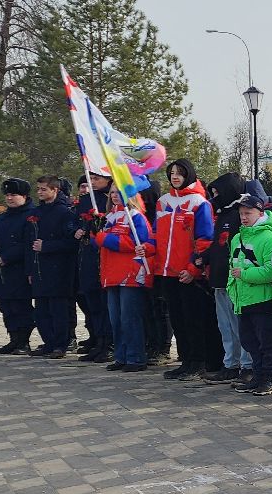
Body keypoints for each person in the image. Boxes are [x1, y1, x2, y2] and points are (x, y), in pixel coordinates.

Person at [150, 160, 220, 381]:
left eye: (180, 173)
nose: (175, 177)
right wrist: (148, 248)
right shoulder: (163, 202)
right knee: (178, 319)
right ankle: (185, 360)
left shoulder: (199, 202)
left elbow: (205, 240)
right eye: (171, 173)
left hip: (189, 273)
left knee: (193, 319)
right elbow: (155, 235)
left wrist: (193, 268)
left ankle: (198, 361)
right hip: (167, 271)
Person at [227, 181, 272, 395]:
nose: (243, 217)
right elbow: (232, 267)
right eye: (241, 213)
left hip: (264, 298)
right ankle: (257, 377)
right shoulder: (237, 238)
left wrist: (246, 275)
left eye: (247, 212)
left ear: (259, 212)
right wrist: (233, 289)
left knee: (267, 343)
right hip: (243, 299)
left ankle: (269, 378)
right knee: (249, 342)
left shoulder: (269, 237)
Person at [97, 188, 154, 372]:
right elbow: (100, 243)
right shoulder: (108, 217)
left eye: (119, 192)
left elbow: (138, 243)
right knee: (115, 319)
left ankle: (136, 358)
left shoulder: (136, 216)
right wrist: (92, 232)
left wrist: (103, 238)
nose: (114, 195)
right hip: (111, 273)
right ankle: (121, 355)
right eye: (112, 192)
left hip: (130, 273)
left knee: (129, 318)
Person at [199, 173, 249, 383]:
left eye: (218, 192)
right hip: (219, 280)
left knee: (240, 326)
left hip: (235, 280)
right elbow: (218, 245)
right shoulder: (223, 215)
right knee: (225, 326)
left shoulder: (240, 214)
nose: (215, 197)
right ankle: (231, 363)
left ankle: (246, 365)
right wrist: (203, 258)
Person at [28, 176, 79, 358]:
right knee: (41, 311)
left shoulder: (65, 213)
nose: (40, 193)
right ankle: (48, 342)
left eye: (44, 189)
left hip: (59, 269)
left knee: (59, 310)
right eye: (39, 189)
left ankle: (60, 344)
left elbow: (71, 242)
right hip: (40, 268)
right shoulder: (36, 212)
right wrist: (30, 269)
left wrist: (47, 246)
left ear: (54, 190)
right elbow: (30, 243)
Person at [0, 178, 37, 355]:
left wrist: (9, 257)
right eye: (7, 195)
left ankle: (24, 341)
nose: (9, 198)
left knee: (20, 307)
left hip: (20, 269)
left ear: (24, 196)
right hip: (2, 271)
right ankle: (14, 339)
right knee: (5, 306)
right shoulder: (2, 218)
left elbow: (28, 243)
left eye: (13, 195)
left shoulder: (31, 215)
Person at [73, 175, 113, 363]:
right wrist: (78, 230)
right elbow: (75, 221)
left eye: (97, 178)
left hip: (104, 254)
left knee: (105, 304)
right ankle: (99, 341)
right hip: (87, 254)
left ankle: (109, 344)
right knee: (93, 303)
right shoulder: (87, 200)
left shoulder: (110, 199)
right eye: (92, 178)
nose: (93, 182)